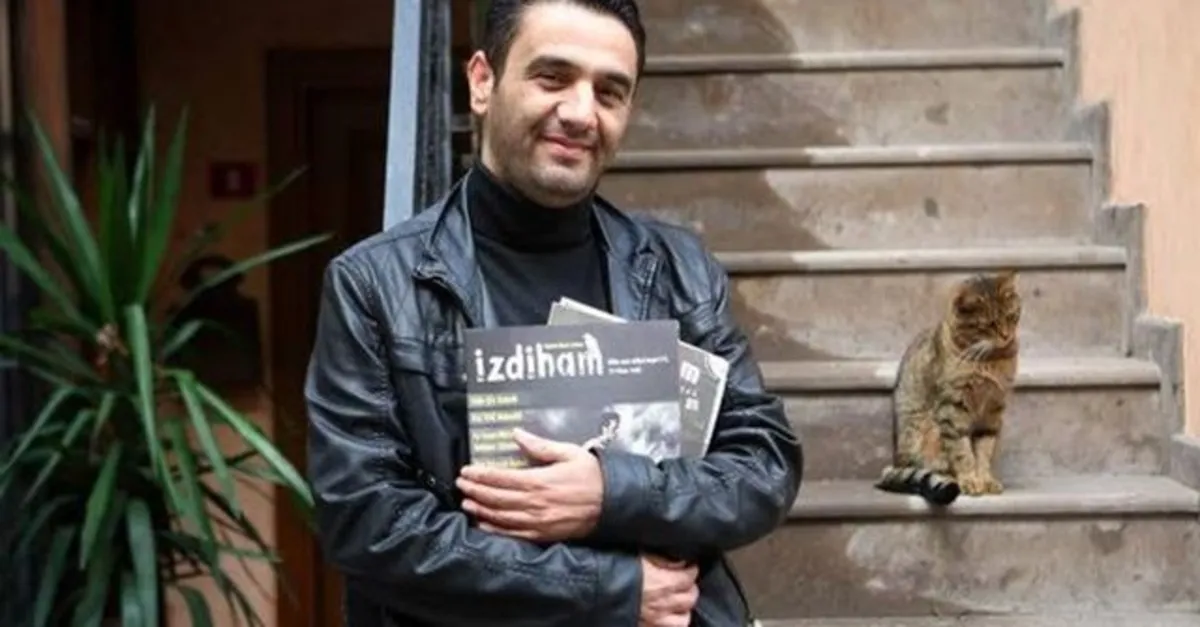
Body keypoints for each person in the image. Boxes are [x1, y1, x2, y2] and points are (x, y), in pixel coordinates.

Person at [303, 1, 804, 626]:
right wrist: (608, 589)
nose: (580, 112)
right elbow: (366, 521)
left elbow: (764, 465)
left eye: (609, 92)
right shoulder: (376, 285)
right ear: (482, 81)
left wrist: (610, 493)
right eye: (553, 77)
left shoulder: (680, 271)